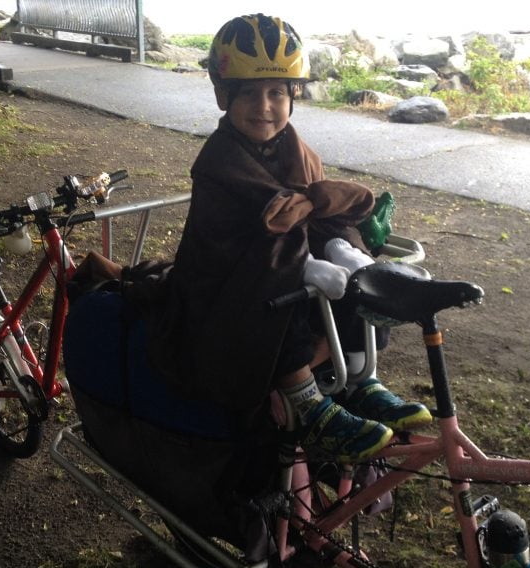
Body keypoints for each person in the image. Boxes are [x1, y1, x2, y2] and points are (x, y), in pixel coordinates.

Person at [144, 13, 432, 464]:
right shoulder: (218, 163)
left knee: (351, 274)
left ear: (292, 96)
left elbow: (319, 212)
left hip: (286, 265)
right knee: (277, 287)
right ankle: (304, 397)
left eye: (277, 92)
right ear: (223, 95)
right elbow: (228, 245)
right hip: (220, 288)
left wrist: (341, 245)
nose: (264, 107)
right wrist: (301, 265)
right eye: (250, 94)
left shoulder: (296, 148)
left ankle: (359, 379)